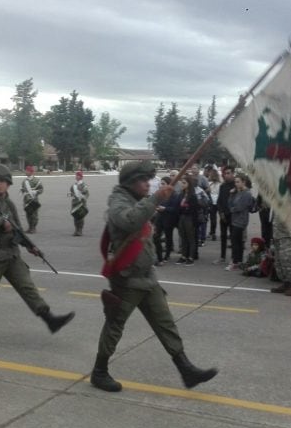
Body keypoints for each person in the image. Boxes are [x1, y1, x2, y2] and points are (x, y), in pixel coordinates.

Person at [91, 160, 218, 392]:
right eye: (143, 180)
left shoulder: (138, 200)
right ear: (131, 182)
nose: (148, 184)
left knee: (165, 323)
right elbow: (129, 220)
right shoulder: (118, 201)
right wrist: (156, 198)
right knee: (115, 325)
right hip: (127, 279)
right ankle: (99, 372)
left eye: (149, 180)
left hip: (147, 277)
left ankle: (186, 369)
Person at [0, 164, 75, 343]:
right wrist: (0, 222)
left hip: (11, 254)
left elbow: (16, 227)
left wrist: (29, 245)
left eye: (2, 181)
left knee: (27, 287)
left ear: (8, 183)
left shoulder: (7, 203)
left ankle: (50, 319)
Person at [226, 173, 255, 271]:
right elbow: (229, 203)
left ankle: (235, 261)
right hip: (235, 219)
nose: (236, 184)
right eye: (235, 182)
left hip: (241, 220)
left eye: (238, 182)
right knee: (236, 242)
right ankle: (237, 261)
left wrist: (232, 209)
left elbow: (240, 207)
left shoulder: (247, 193)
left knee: (236, 242)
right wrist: (231, 194)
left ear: (244, 182)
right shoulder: (238, 192)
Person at [270, 216, 291, 295]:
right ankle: (287, 283)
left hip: (289, 236)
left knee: (288, 260)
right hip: (278, 235)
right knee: (279, 261)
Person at [214, 166, 235, 264]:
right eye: (225, 173)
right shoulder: (222, 186)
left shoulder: (236, 186)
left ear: (233, 173)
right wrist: (221, 212)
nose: (226, 175)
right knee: (223, 236)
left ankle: (233, 258)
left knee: (233, 237)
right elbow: (219, 201)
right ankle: (222, 257)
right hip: (223, 215)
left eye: (228, 173)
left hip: (233, 215)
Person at [21, 165, 44, 233]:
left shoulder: (37, 180)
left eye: (27, 171)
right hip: (26, 200)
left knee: (34, 215)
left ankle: (33, 228)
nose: (26, 172)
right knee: (28, 214)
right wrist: (22, 191)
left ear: (31, 172)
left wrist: (36, 192)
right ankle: (30, 227)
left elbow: (41, 189)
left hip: (34, 200)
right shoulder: (24, 181)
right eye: (26, 170)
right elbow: (23, 189)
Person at [69, 170, 89, 236]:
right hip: (75, 203)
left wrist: (82, 194)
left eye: (78, 175)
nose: (77, 177)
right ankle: (76, 230)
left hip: (81, 203)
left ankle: (80, 230)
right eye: (76, 175)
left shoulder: (84, 185)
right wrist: (70, 195)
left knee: (80, 218)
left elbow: (87, 194)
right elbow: (71, 193)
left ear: (81, 177)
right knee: (75, 218)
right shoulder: (73, 185)